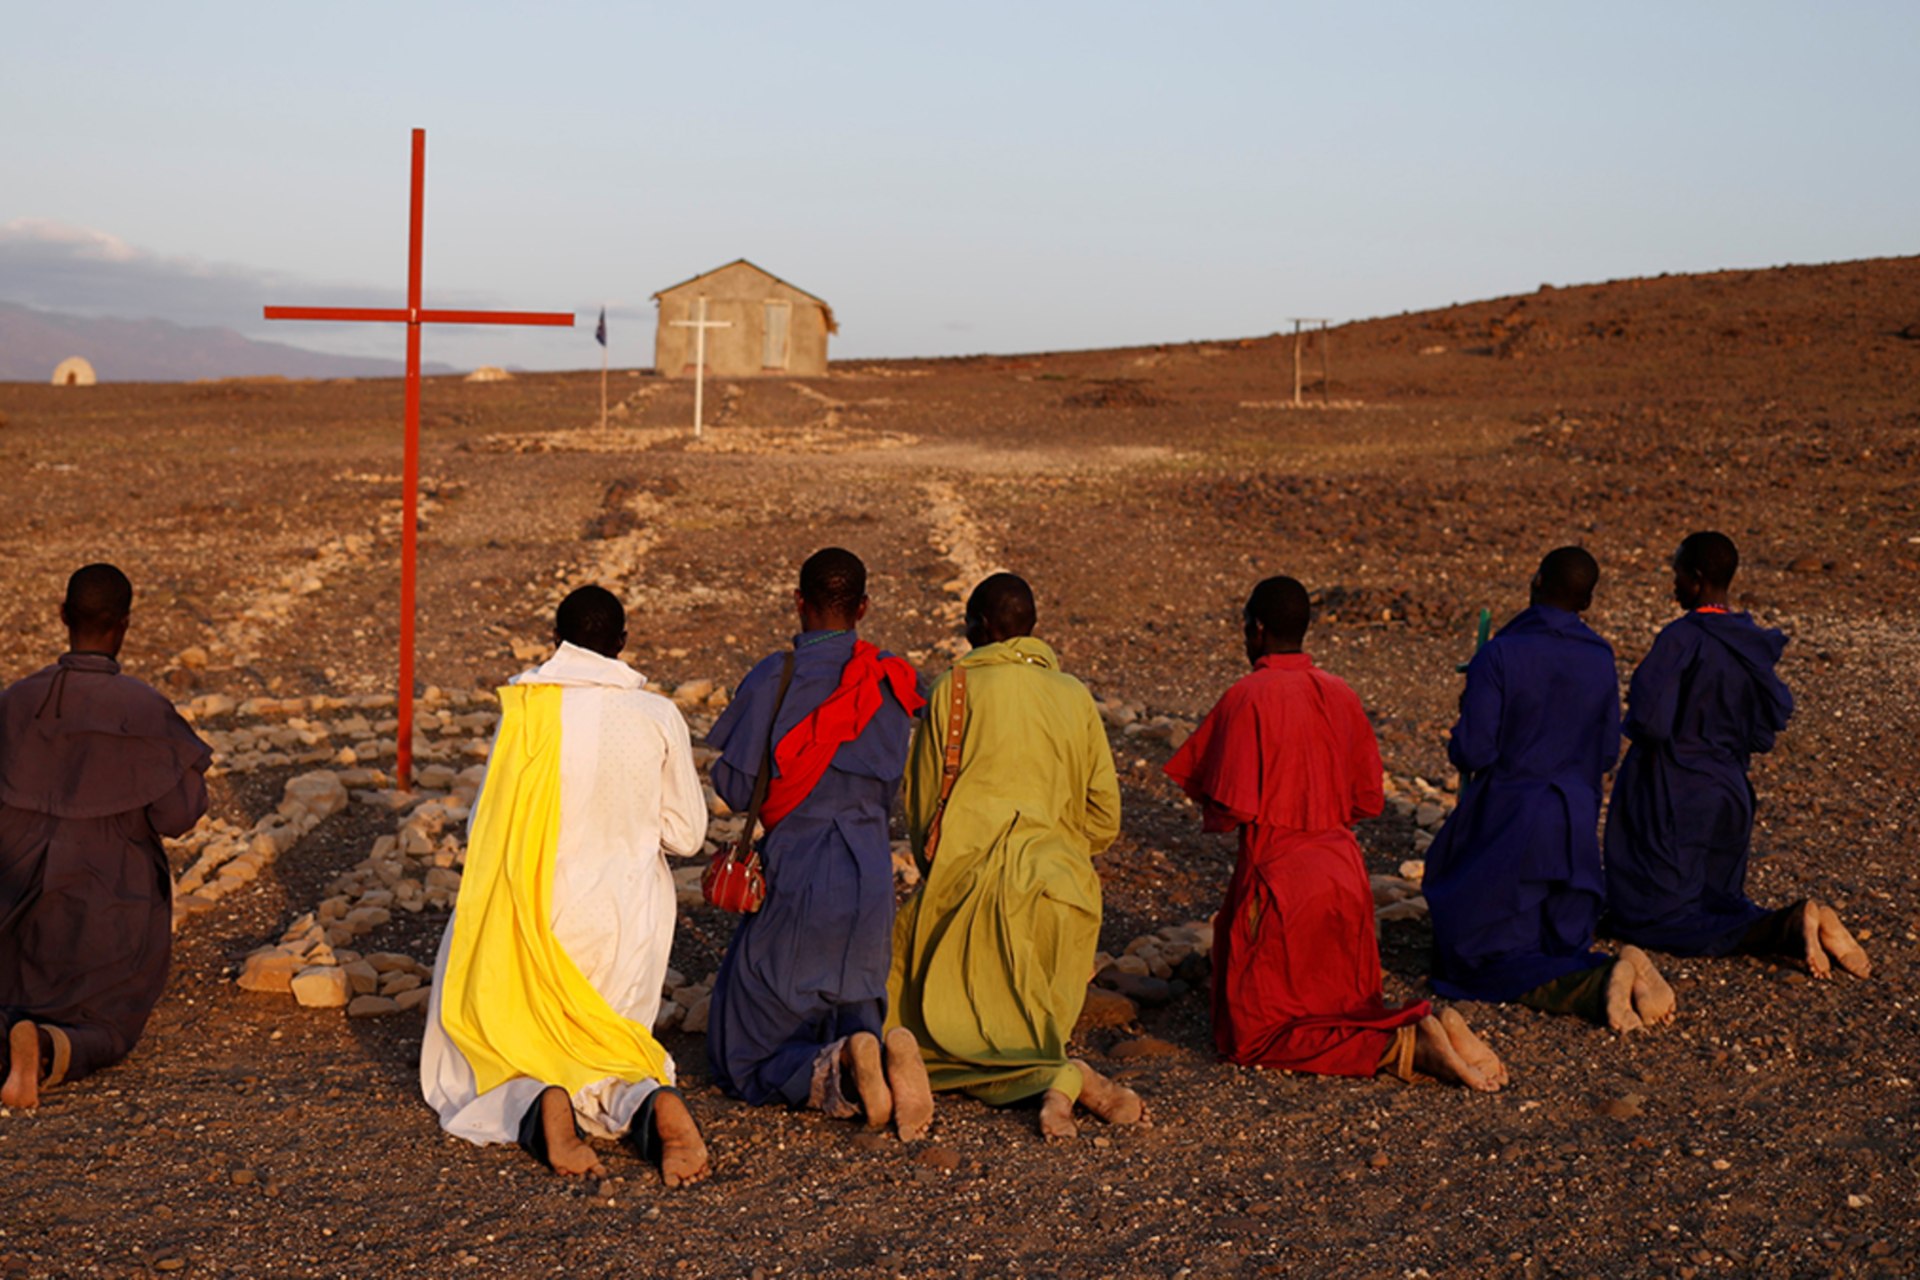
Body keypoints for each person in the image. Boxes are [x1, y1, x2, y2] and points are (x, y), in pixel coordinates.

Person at [1166, 576, 1507, 1090]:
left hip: (1281, 880)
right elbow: (1368, 798)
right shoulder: (1340, 692)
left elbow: (1226, 806)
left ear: (1256, 631)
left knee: (1254, 1037)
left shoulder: (1246, 697)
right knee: (1341, 1004)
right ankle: (1423, 1022)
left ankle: (1403, 1044)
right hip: (1344, 875)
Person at [420, 585, 711, 1183]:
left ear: (556, 643)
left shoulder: (529, 713)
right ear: (622, 644)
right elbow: (686, 836)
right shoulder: (657, 715)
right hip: (627, 918)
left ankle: (533, 1102)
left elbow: (485, 826)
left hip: (539, 914)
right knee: (612, 1050)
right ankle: (645, 1102)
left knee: (490, 1057)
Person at [889, 572, 1140, 1140]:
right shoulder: (1074, 695)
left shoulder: (954, 689)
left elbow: (923, 806)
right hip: (1059, 889)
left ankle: (1049, 1077)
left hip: (965, 883)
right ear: (1031, 629)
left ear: (977, 628)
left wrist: (946, 875)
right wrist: (1066, 851)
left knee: (912, 1014)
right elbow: (1105, 814)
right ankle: (1061, 1080)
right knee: (1034, 1023)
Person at [706, 548, 934, 1139]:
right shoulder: (888, 678)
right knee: (853, 996)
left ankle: (837, 1068)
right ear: (862, 608)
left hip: (799, 864)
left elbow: (734, 785)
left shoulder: (773, 676)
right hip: (869, 873)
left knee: (745, 1051)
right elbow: (892, 786)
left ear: (798, 602)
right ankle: (880, 1054)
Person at [1423, 548, 1674, 1033]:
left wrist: (1467, 712)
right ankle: (1605, 966)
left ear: (1536, 581)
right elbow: (1605, 751)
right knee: (1553, 941)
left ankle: (1600, 980)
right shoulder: (1600, 656)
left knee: (1467, 963)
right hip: (1574, 833)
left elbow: (1473, 752)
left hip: (1511, 825)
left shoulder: (1500, 654)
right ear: (1588, 600)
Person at [1603, 531, 1869, 978]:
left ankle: (1785, 925)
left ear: (1697, 578)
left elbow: (1650, 720)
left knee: (1658, 920)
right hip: (1728, 792)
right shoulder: (1750, 642)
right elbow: (1764, 732)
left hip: (1673, 789)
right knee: (1716, 899)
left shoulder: (1681, 639)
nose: (1673, 584)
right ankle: (1805, 921)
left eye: (1677, 575)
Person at [1, 564, 210, 1108]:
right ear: (124, 626)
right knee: (108, 1024)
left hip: (12, 905)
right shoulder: (144, 709)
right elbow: (177, 815)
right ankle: (50, 1048)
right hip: (108, 911)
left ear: (63, 617)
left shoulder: (16, 701)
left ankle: (10, 1035)